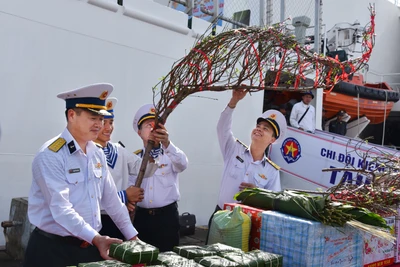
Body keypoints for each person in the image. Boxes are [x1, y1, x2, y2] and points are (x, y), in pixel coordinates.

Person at [24, 84, 138, 267]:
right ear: (71, 115)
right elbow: (61, 210)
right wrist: (96, 238)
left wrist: (133, 236)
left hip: (89, 249)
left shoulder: (97, 153)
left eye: (101, 118)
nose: (99, 124)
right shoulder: (51, 154)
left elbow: (111, 200)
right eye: (93, 117)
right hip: (52, 251)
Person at [206, 89, 287, 243]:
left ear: (272, 140)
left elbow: (274, 202)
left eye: (265, 129)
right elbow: (222, 128)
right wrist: (233, 102)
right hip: (220, 215)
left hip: (247, 224)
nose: (259, 129)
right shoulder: (233, 149)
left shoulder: (271, 171)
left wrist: (257, 194)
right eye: (259, 125)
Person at [94, 97, 159, 240]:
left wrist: (153, 147)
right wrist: (124, 196)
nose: (108, 128)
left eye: (111, 122)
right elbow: (90, 197)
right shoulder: (87, 151)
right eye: (103, 122)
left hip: (120, 219)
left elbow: (145, 170)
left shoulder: (118, 150)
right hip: (96, 220)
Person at [131, 104, 188, 252]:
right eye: (147, 125)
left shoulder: (170, 154)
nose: (152, 129)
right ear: (139, 132)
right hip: (141, 218)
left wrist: (167, 144)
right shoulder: (134, 159)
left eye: (155, 125)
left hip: (166, 218)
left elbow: (183, 164)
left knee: (168, 257)